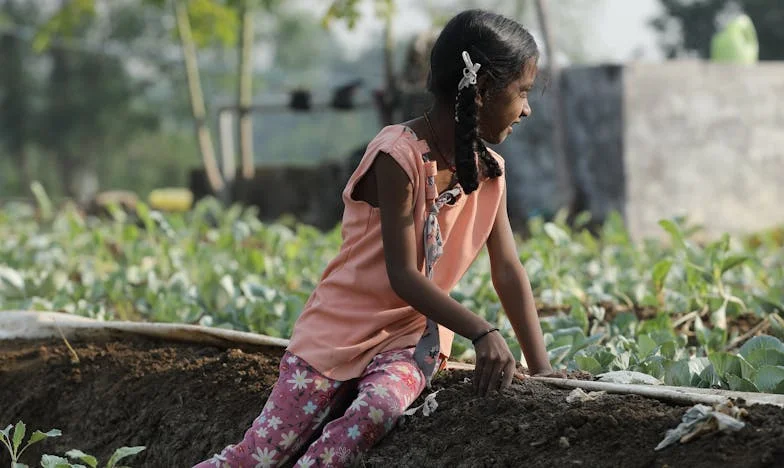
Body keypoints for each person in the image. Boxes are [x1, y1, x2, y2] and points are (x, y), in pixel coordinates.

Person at [194, 9, 554, 468]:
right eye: (522, 91)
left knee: (377, 410)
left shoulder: (490, 172)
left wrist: (542, 368)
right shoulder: (397, 155)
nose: (527, 109)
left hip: (409, 341)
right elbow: (403, 275)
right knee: (258, 456)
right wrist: (481, 330)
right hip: (336, 334)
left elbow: (506, 269)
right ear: (481, 89)